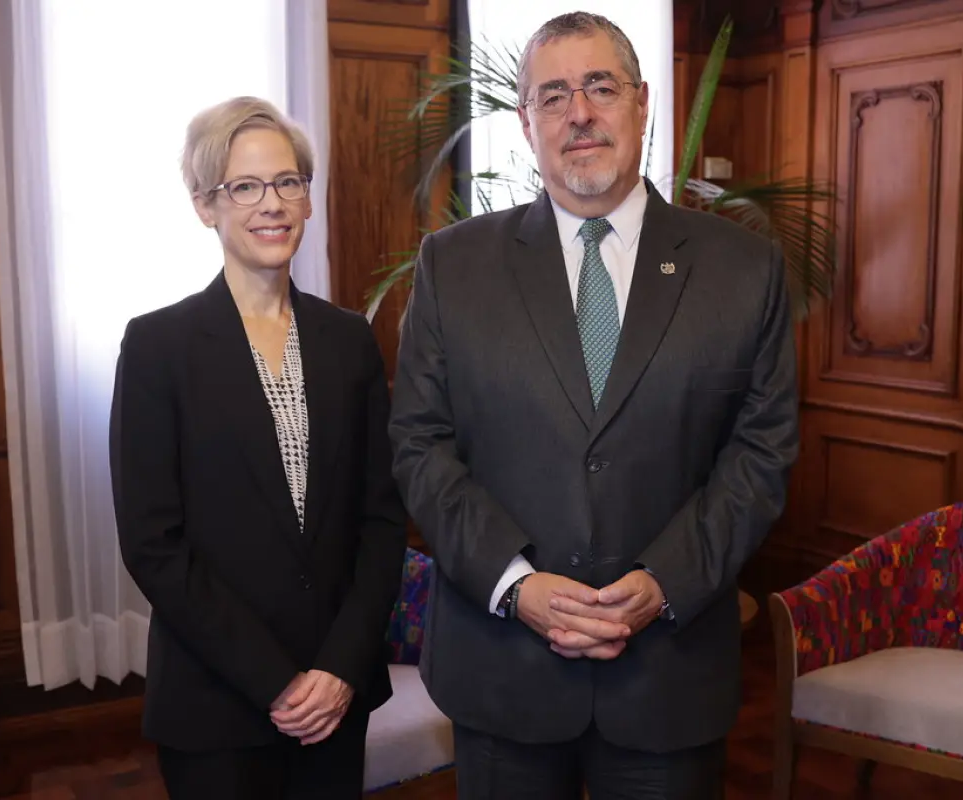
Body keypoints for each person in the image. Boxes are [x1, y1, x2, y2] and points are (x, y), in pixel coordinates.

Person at [388, 11, 799, 799]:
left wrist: (666, 578)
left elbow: (762, 452)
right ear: (526, 122)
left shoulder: (744, 271)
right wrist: (517, 584)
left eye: (600, 87)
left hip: (667, 684)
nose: (579, 112)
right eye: (553, 95)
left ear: (642, 104)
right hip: (502, 672)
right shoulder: (455, 264)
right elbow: (418, 444)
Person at [108, 96, 407, 800]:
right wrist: (277, 681)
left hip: (338, 700)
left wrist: (337, 669)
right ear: (203, 205)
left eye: (287, 182)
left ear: (307, 198)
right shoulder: (157, 347)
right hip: (217, 704)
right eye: (244, 186)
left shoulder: (349, 340)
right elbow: (154, 544)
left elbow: (383, 520)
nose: (270, 203)